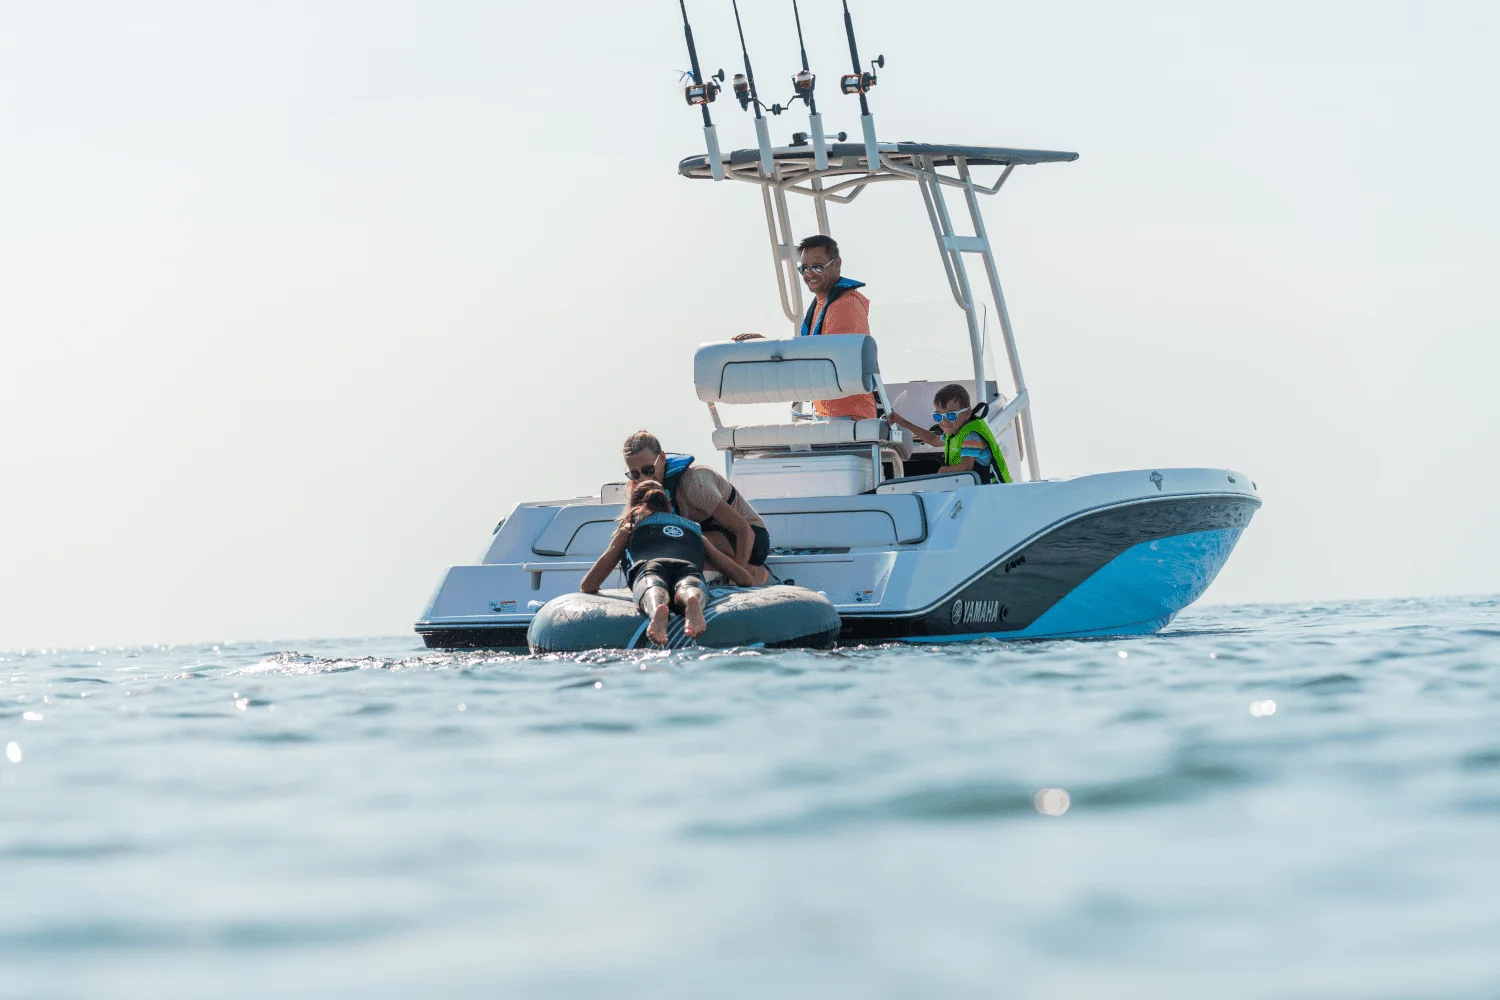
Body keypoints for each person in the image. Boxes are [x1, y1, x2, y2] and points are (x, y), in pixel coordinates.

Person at [732, 234, 877, 420]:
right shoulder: (821, 304)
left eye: (817, 267)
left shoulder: (845, 306)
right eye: (805, 268)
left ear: (837, 264)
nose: (810, 274)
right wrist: (765, 347)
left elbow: (829, 366)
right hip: (826, 416)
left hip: (850, 418)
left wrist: (774, 353)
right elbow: (806, 357)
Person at [578, 480, 721, 645]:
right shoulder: (693, 529)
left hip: (649, 567)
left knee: (652, 587)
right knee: (689, 583)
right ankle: (691, 599)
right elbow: (740, 576)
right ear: (668, 505)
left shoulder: (630, 528)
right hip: (688, 568)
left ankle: (657, 609)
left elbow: (589, 585)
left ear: (633, 506)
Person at [621, 430, 770, 587]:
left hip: (752, 540)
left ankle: (753, 572)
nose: (643, 479)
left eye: (648, 470)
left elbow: (744, 530)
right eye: (635, 474)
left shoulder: (694, 483)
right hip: (714, 537)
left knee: (677, 540)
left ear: (663, 458)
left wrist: (736, 576)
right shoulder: (641, 488)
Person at [886, 383, 1013, 484]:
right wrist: (902, 422)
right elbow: (934, 440)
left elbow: (966, 467)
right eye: (938, 416)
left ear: (967, 413)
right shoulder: (955, 433)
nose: (944, 421)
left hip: (993, 492)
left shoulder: (971, 436)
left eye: (951, 415)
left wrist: (943, 470)